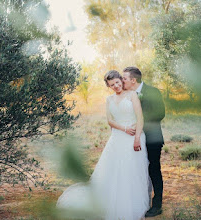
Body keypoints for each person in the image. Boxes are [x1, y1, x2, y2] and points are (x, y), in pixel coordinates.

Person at [56, 70, 149, 220]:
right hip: (117, 137)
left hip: (134, 138)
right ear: (109, 86)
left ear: (121, 80)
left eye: (118, 82)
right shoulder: (109, 99)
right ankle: (111, 203)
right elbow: (110, 121)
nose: (116, 86)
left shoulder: (132, 95)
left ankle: (131, 205)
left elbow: (140, 118)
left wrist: (137, 138)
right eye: (112, 85)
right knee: (112, 170)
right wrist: (124, 129)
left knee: (131, 170)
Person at [122, 67, 165, 217]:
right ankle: (137, 200)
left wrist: (139, 125)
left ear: (133, 80)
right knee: (135, 169)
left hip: (152, 138)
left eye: (124, 78)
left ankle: (157, 205)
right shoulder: (125, 94)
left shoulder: (153, 92)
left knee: (154, 170)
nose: (122, 81)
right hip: (132, 139)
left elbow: (160, 114)